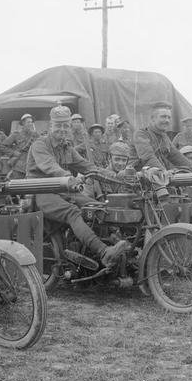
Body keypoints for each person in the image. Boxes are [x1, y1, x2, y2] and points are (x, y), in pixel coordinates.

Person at [26, 105, 129, 268]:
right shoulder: (40, 145)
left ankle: (116, 244)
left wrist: (117, 177)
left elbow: (89, 167)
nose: (62, 129)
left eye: (65, 125)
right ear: (50, 126)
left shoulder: (67, 148)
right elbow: (50, 166)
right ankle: (104, 252)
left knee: (98, 207)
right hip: (40, 192)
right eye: (58, 125)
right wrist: (69, 177)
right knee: (73, 212)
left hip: (62, 191)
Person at [133, 102, 192, 171]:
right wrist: (165, 174)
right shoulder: (141, 134)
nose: (167, 120)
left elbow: (177, 156)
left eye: (169, 117)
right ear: (153, 118)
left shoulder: (164, 137)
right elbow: (148, 158)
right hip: (136, 177)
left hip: (157, 176)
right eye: (163, 117)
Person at [1, 114, 38, 180]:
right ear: (23, 123)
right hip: (19, 167)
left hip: (32, 166)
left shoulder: (35, 135)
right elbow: (3, 146)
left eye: (31, 122)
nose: (30, 124)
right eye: (28, 122)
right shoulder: (16, 134)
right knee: (17, 186)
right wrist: (13, 153)